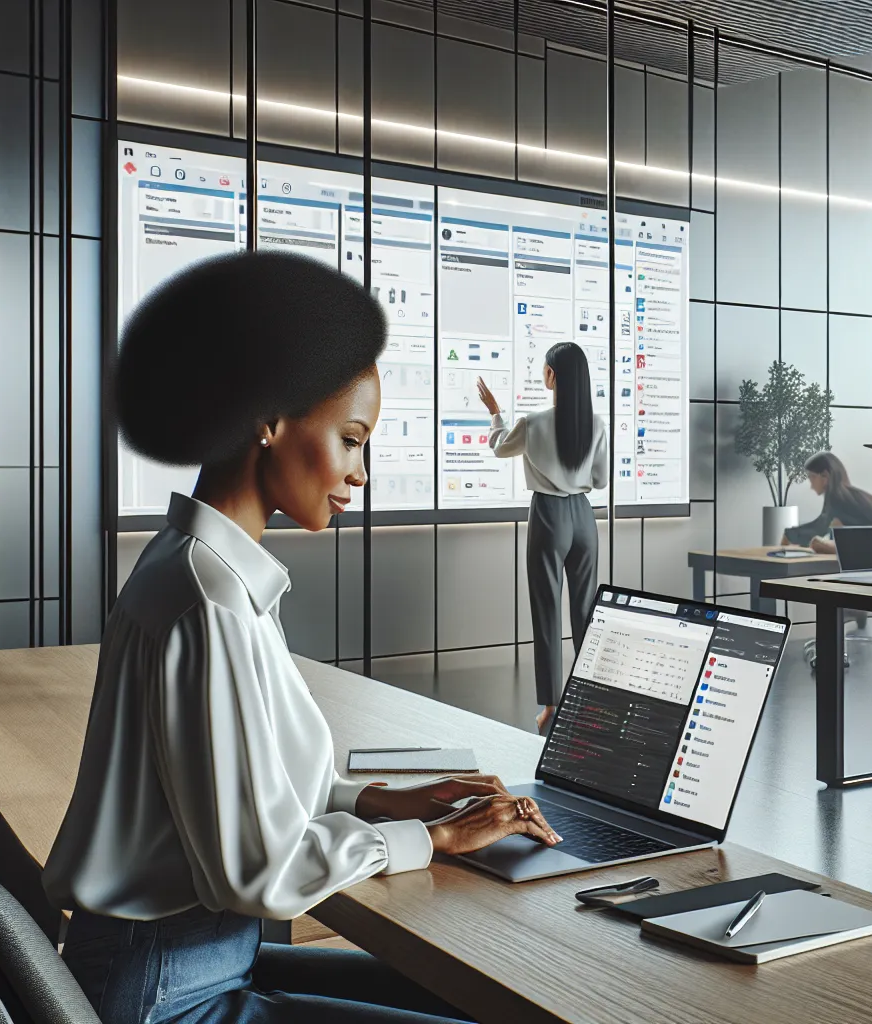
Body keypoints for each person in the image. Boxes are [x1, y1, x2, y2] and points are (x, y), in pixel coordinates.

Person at [46, 251, 562, 1024]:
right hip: (164, 993)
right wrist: (432, 840)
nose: (361, 472)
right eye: (351, 439)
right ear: (268, 419)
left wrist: (383, 801)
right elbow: (257, 872)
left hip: (181, 960)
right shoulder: (209, 602)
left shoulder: (199, 569)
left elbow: (235, 793)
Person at [477, 342, 609, 735]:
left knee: (547, 609)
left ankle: (551, 707)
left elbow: (500, 447)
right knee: (585, 611)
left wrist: (495, 413)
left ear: (552, 375)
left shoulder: (533, 423)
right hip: (584, 517)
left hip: (549, 516)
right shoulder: (596, 424)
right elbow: (600, 479)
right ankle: (590, 701)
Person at [784, 451, 872, 553]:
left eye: (812, 477)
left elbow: (820, 527)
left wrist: (789, 535)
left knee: (817, 542)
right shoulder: (850, 495)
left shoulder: (837, 498)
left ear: (825, 476)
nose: (811, 485)